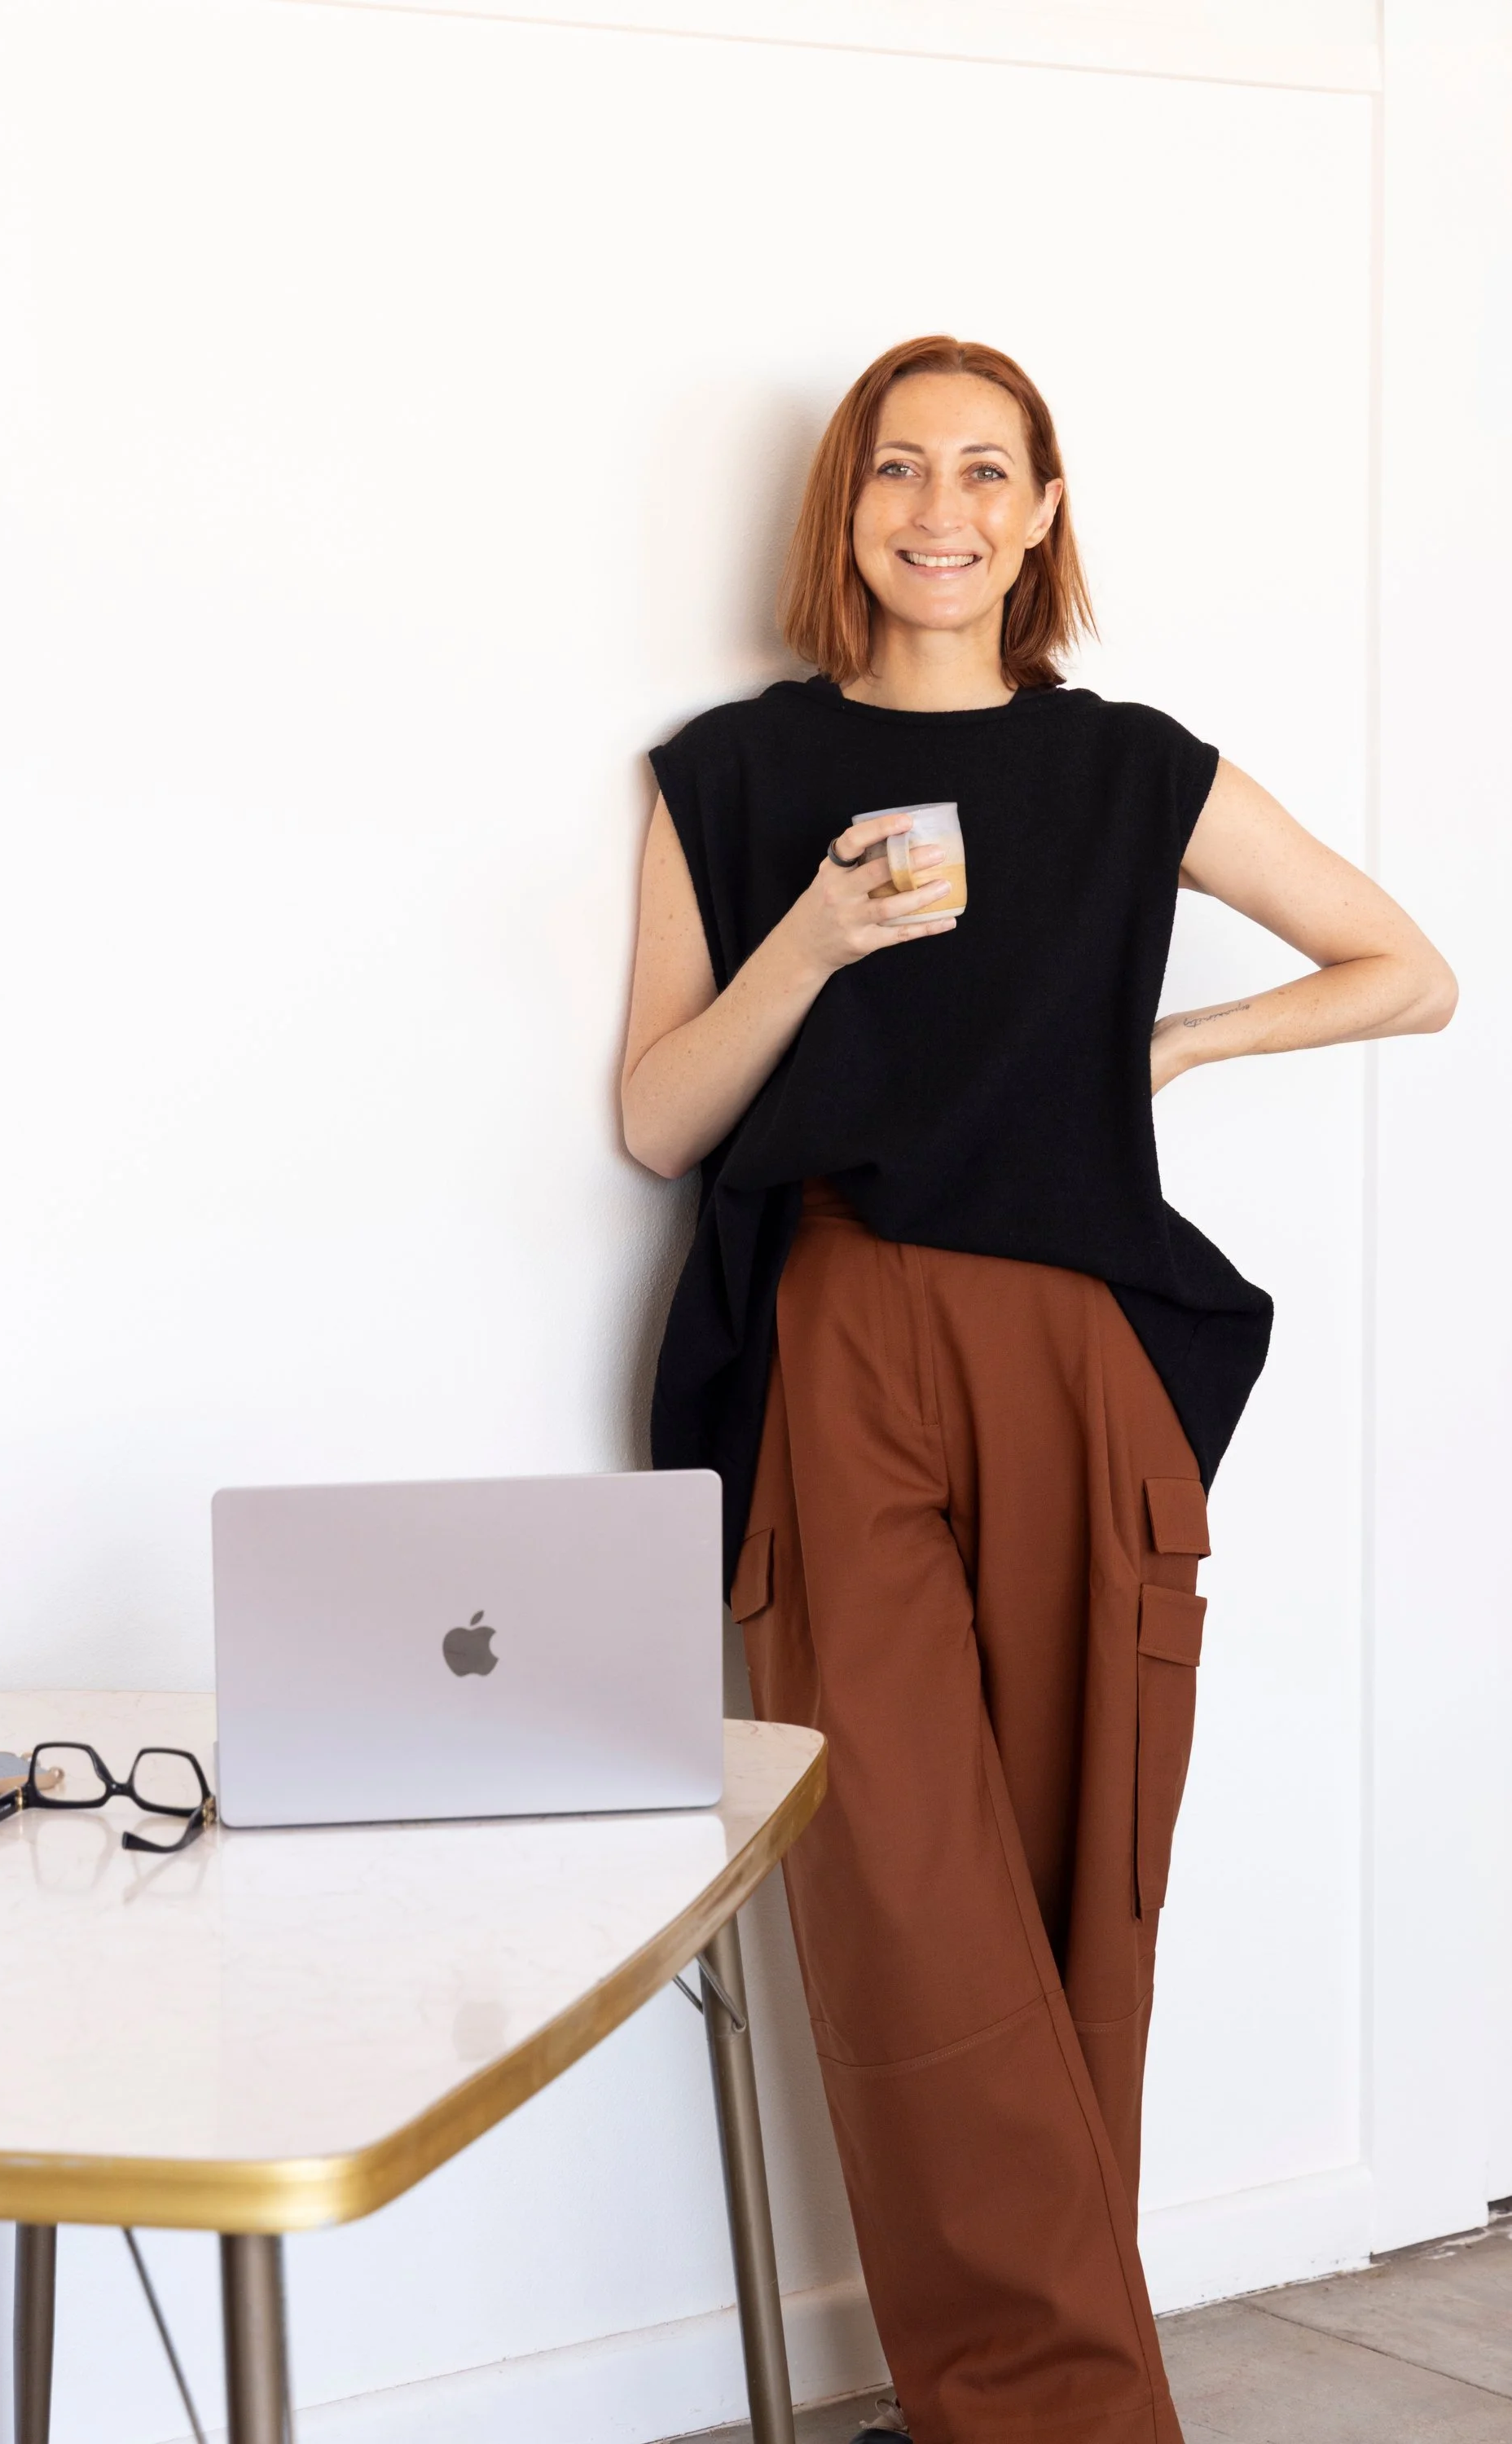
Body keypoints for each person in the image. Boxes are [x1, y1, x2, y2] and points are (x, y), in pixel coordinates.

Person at [620, 335, 1455, 2444]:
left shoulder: (1129, 772)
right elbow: (657, 1120)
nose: (941, 511)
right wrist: (808, 940)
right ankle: (1075, 2413)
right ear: (848, 508)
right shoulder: (725, 776)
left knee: (1092, 1886)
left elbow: (1410, 968)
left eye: (989, 472)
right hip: (839, 1330)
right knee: (902, 1884)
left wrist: (1169, 1053)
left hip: (1081, 1345)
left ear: (1043, 513)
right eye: (898, 470)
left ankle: (1019, 2396)